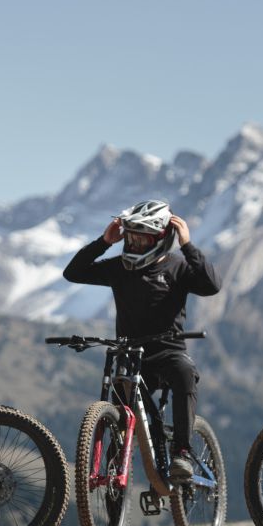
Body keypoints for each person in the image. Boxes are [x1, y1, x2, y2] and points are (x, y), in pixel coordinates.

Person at [62, 200, 221, 479]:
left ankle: (182, 453)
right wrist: (103, 242)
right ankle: (113, 480)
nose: (134, 245)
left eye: (142, 239)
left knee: (184, 373)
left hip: (169, 352)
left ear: (161, 238)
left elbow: (212, 285)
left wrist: (187, 245)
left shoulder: (178, 266)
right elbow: (72, 273)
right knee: (120, 423)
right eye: (131, 237)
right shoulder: (119, 268)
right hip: (131, 356)